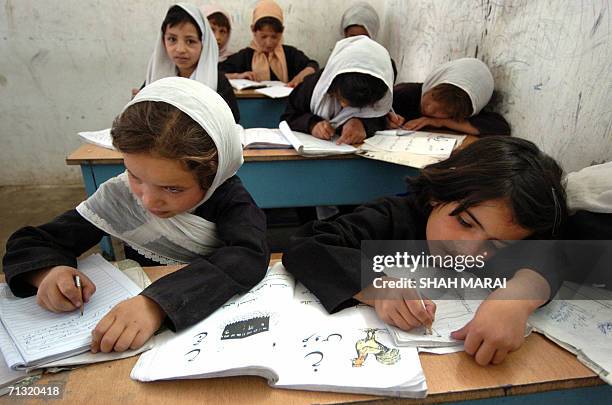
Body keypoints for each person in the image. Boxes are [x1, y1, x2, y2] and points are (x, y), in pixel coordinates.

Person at [3, 77, 269, 353]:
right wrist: (49, 272)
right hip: (129, 333)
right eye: (134, 175)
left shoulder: (229, 199)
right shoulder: (121, 196)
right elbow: (35, 241)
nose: (148, 199)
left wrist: (157, 304)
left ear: (214, 175)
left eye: (173, 188)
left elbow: (248, 255)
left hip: (199, 333)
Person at [283, 136, 568, 366]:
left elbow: (555, 253)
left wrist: (516, 299)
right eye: (465, 222)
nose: (468, 251)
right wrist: (376, 285)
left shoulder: (510, 237)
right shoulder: (393, 216)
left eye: (495, 245)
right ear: (437, 195)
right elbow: (307, 244)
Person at [132, 3, 239, 122]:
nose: (180, 49)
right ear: (163, 41)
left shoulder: (218, 81)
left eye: (190, 41)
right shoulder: (155, 79)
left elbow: (232, 120)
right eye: (172, 39)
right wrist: (138, 105)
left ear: (203, 43)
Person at [280, 35, 394, 145]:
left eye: (355, 106)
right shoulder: (313, 86)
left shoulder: (377, 89)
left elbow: (380, 117)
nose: (344, 106)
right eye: (340, 98)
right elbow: (289, 116)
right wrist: (312, 124)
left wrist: (363, 124)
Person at [390, 58, 510, 136]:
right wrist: (385, 120)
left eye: (444, 111)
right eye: (433, 96)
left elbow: (499, 129)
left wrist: (438, 122)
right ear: (435, 81)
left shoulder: (463, 109)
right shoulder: (403, 94)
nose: (429, 109)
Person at [219, 0, 318, 87]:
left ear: (282, 31)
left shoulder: (289, 54)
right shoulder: (245, 56)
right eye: (263, 37)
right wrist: (238, 76)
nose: (269, 43)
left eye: (274, 37)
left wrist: (302, 75)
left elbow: (312, 65)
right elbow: (218, 73)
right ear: (253, 30)